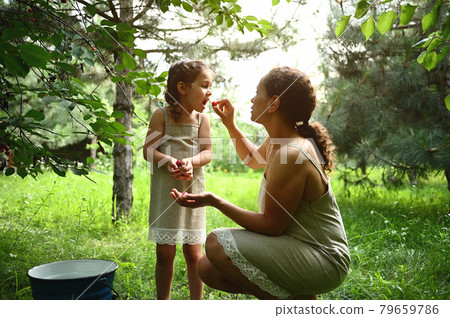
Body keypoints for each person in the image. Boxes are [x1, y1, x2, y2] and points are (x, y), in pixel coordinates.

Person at [171, 66, 350, 300]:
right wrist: (230, 125)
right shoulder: (279, 140)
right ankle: (301, 297)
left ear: (273, 103)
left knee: (216, 243)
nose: (252, 99)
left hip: (323, 259)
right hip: (296, 246)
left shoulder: (293, 152)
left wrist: (214, 201)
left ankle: (294, 304)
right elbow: (253, 159)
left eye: (258, 92)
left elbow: (271, 225)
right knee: (207, 268)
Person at [143, 60, 214, 300]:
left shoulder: (202, 120)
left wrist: (191, 163)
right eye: (204, 85)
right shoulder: (161, 115)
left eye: (210, 86)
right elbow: (148, 151)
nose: (209, 91)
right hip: (166, 191)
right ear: (183, 88)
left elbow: (207, 153)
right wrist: (168, 161)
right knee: (164, 253)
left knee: (194, 253)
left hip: (192, 190)